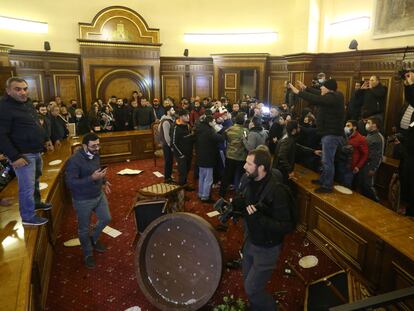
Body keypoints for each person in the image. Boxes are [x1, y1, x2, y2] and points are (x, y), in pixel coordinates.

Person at [238, 148, 294, 311]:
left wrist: (259, 219)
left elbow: (287, 226)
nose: (244, 166)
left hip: (266, 248)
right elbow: (248, 205)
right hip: (250, 240)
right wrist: (238, 206)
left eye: (249, 163)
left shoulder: (277, 191)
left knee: (252, 289)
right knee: (247, 281)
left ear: (261, 167)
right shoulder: (249, 180)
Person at [0, 77, 54, 225]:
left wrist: (46, 139)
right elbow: (1, 135)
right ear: (8, 91)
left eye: (25, 88)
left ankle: (36, 203)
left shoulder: (27, 102)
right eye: (18, 89)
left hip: (36, 150)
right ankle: (28, 217)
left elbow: (36, 123)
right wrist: (15, 156)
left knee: (36, 180)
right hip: (22, 154)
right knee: (27, 187)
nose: (23, 92)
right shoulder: (3, 107)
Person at [65, 133, 112, 269]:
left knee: (106, 218)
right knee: (84, 229)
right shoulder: (74, 161)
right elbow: (70, 183)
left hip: (98, 194)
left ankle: (93, 239)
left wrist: (104, 181)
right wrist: (92, 178)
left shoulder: (96, 153)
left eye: (98, 144)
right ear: (84, 146)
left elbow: (98, 171)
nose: (97, 148)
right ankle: (87, 253)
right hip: (82, 200)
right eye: (93, 146)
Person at [290, 79, 345, 193]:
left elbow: (317, 98)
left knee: (327, 161)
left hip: (331, 135)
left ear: (328, 89)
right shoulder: (332, 96)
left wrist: (299, 92)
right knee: (325, 160)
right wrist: (306, 88)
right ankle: (323, 179)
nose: (320, 88)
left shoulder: (333, 97)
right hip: (329, 134)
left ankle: (327, 185)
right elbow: (317, 94)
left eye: (322, 87)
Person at [394, 70, 414, 215]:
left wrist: (411, 84)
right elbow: (411, 99)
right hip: (409, 145)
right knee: (406, 175)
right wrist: (408, 84)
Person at [219, 112, 249, 197]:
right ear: (243, 120)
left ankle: (222, 192)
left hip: (230, 155)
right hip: (240, 156)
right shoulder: (245, 131)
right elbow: (246, 142)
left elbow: (224, 139)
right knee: (239, 176)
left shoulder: (229, 129)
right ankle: (238, 193)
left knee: (227, 175)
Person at [195, 114, 224, 202]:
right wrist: (217, 128)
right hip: (208, 157)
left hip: (200, 156)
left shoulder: (200, 128)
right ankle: (205, 196)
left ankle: (200, 193)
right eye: (214, 121)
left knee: (202, 177)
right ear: (209, 122)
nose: (215, 123)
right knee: (208, 178)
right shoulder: (209, 131)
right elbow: (221, 138)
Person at [358, 117, 384, 202]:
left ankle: (376, 202)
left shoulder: (378, 137)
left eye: (368, 122)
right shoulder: (369, 134)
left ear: (374, 125)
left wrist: (373, 169)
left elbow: (379, 156)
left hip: (370, 165)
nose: (366, 124)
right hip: (364, 163)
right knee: (362, 185)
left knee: (368, 186)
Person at [339, 120, 368, 188]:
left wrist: (358, 166)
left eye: (348, 126)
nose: (346, 128)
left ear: (354, 127)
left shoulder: (361, 138)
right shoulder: (343, 136)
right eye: (345, 126)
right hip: (341, 164)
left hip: (351, 167)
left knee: (346, 186)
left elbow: (365, 154)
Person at [171, 109, 195, 187]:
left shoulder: (188, 125)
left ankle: (184, 186)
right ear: (181, 117)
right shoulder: (175, 127)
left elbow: (190, 137)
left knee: (187, 170)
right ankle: (180, 191)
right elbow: (173, 143)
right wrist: (181, 155)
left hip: (189, 152)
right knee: (183, 172)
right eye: (185, 116)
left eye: (188, 115)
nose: (188, 117)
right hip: (181, 154)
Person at [158, 105, 175, 183]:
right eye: (172, 110)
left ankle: (169, 176)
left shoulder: (169, 120)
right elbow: (166, 136)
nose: (174, 111)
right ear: (168, 112)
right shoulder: (166, 121)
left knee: (170, 161)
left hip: (168, 144)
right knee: (168, 161)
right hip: (167, 145)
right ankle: (167, 178)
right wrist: (170, 145)